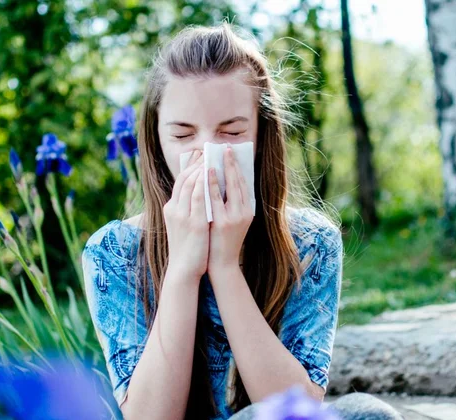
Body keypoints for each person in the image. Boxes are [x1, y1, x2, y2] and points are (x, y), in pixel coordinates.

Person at [82, 23, 402, 420]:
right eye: (183, 135)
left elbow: (296, 410)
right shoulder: (114, 251)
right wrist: (183, 267)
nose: (207, 152)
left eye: (231, 131)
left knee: (366, 413)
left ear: (262, 133)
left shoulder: (311, 242)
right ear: (155, 139)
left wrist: (224, 265)